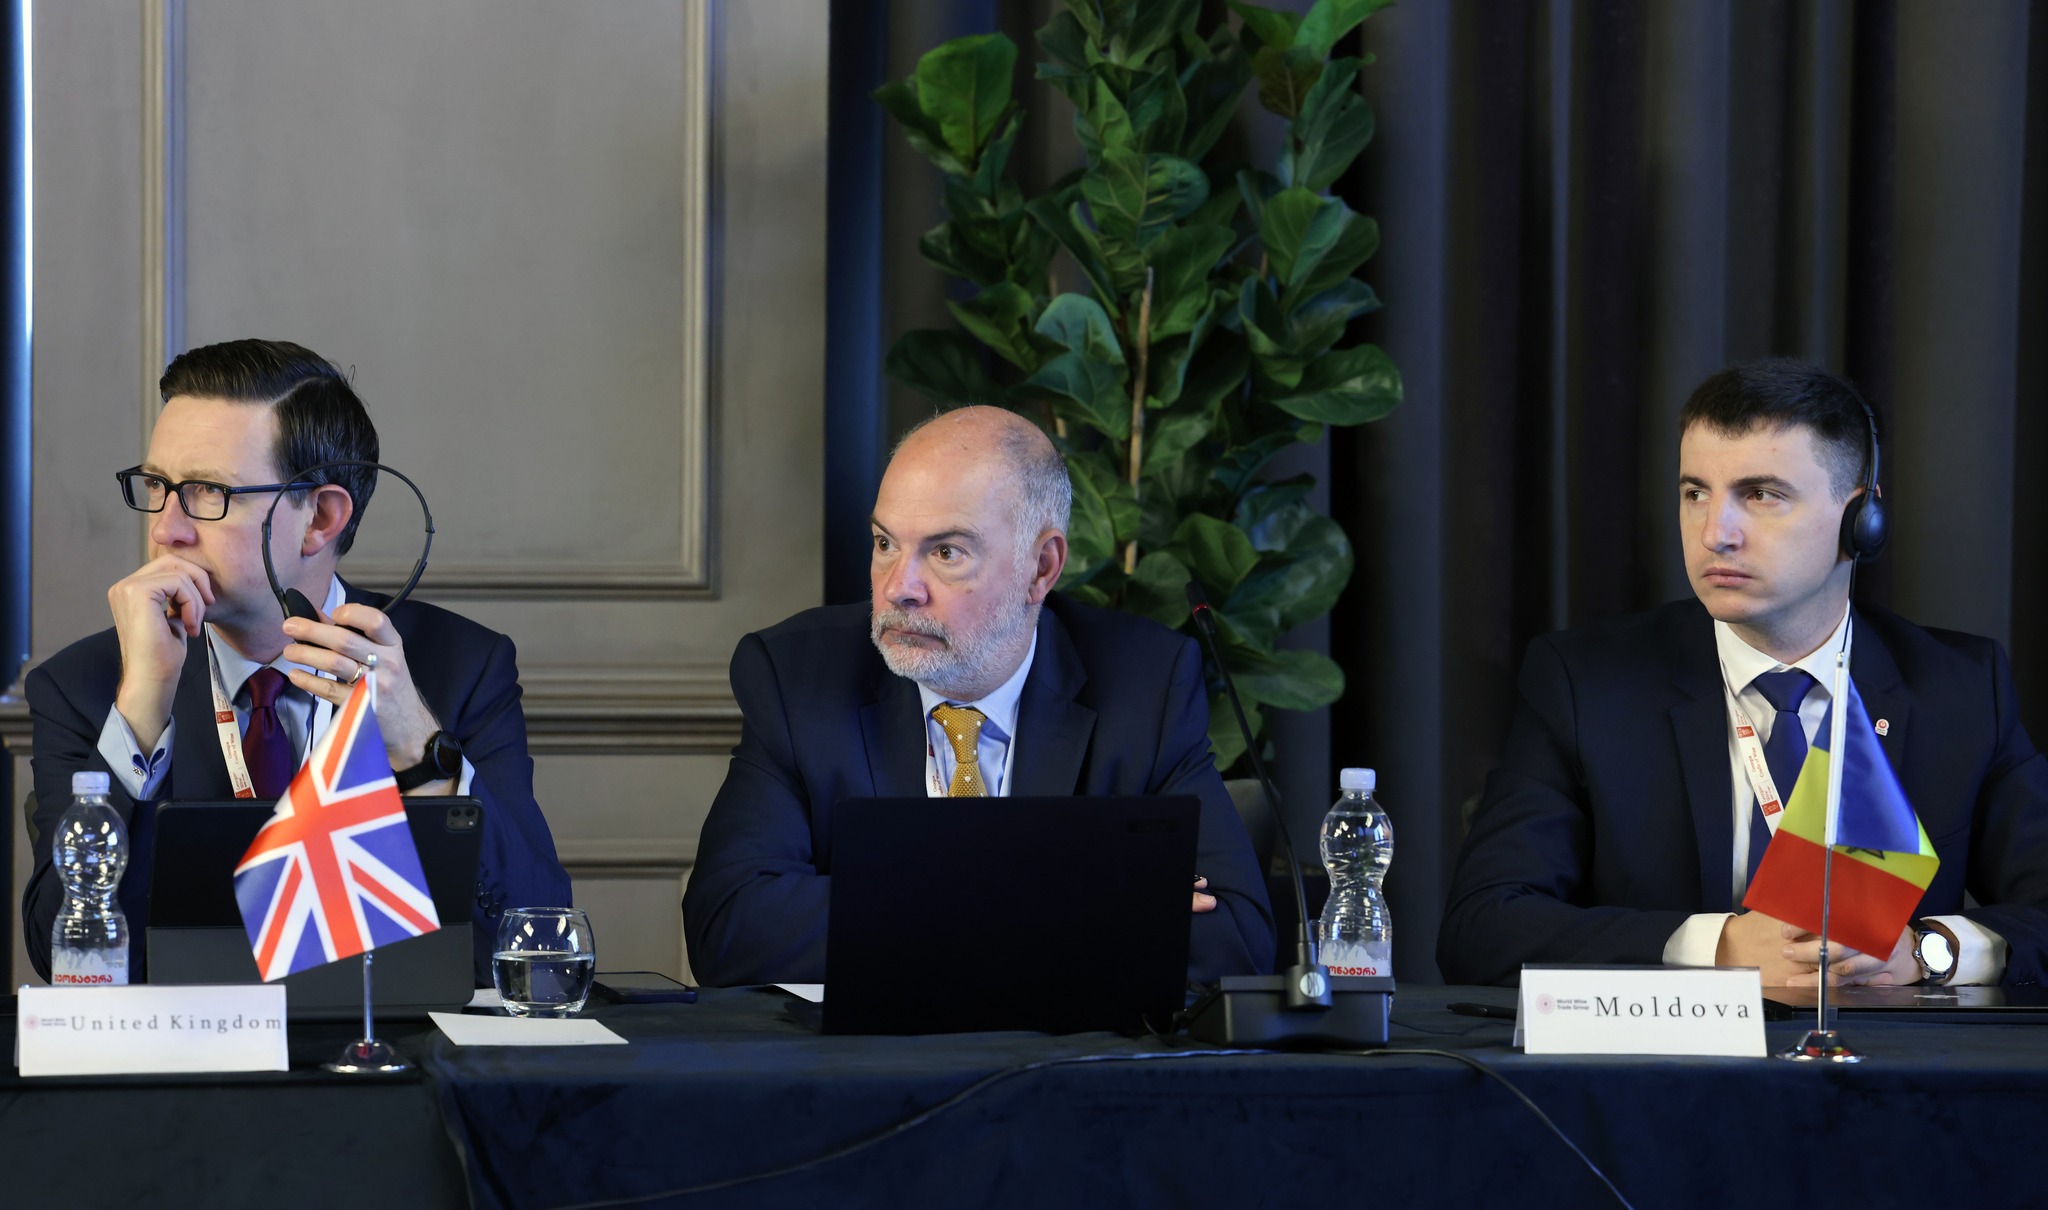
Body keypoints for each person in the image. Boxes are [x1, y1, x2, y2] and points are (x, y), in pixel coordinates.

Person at [1439, 359, 2048, 988]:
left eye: (1760, 495)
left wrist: (1929, 950)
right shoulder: (1585, 683)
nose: (1714, 534)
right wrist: (1720, 945)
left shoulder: (1961, 689)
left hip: (1877, 1050)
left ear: (1862, 520)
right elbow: (1482, 926)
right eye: (1695, 493)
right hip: (1669, 1051)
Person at [24, 338, 571, 984]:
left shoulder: (462, 667)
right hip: (193, 1048)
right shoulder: (84, 686)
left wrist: (421, 754)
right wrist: (142, 710)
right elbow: (70, 962)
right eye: (157, 487)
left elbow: (539, 949)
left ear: (320, 518)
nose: (165, 530)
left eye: (207, 492)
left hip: (396, 1044)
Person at [683, 406, 1276, 986]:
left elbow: (1236, 939)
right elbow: (730, 928)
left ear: (1041, 568)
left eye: (946, 552)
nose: (899, 589)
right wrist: (1057, 897)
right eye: (885, 543)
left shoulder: (1144, 683)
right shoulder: (800, 676)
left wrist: (925, 914)